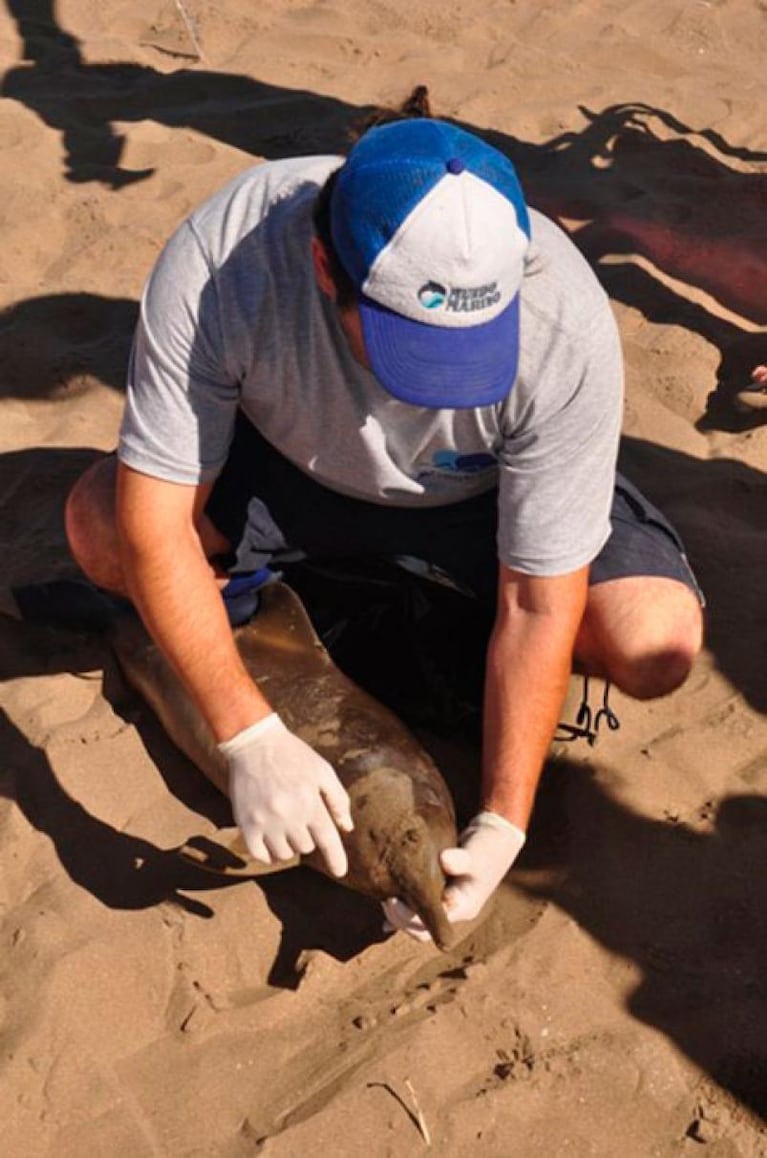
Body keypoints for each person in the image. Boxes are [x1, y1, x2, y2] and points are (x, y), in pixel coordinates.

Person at [64, 91, 704, 943]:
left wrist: (505, 820)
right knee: (100, 532)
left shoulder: (562, 321)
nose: (435, 385)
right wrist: (247, 734)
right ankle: (267, 634)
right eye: (412, 346)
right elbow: (152, 525)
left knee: (652, 641)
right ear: (326, 269)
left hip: (475, 496)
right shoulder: (227, 258)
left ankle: (336, 600)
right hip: (286, 468)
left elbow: (538, 601)